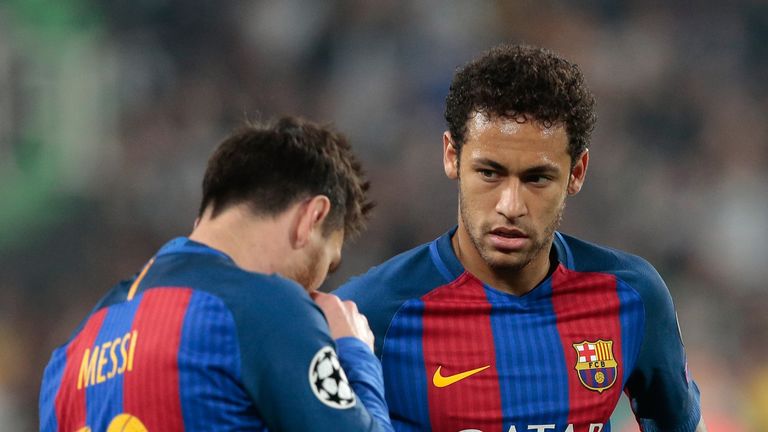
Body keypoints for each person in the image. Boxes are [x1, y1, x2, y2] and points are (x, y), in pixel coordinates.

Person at [336, 44, 706, 432]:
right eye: (490, 173)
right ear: (451, 156)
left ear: (576, 173)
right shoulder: (370, 314)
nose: (511, 205)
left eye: (537, 178)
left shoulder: (632, 296)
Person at [39, 117, 393, 431]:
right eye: (328, 263)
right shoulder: (264, 309)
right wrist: (355, 352)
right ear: (311, 218)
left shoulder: (67, 361)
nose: (319, 284)